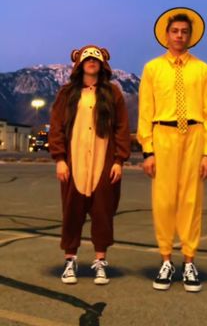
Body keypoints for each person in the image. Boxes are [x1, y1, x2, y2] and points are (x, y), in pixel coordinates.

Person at [137, 7, 207, 292]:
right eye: (175, 31)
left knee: (191, 201)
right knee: (164, 201)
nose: (179, 36)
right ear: (166, 35)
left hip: (195, 134)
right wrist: (148, 150)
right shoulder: (152, 69)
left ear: (191, 36)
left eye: (184, 31)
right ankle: (166, 259)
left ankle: (189, 261)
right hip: (163, 135)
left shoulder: (203, 70)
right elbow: (146, 111)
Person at [49, 45, 130, 285]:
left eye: (96, 59)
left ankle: (100, 262)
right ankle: (70, 260)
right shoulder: (67, 93)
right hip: (74, 161)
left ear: (102, 64)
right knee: (72, 212)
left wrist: (119, 160)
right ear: (80, 64)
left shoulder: (112, 93)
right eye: (88, 59)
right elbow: (56, 127)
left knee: (103, 212)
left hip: (103, 161)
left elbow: (122, 128)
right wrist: (60, 159)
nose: (92, 62)